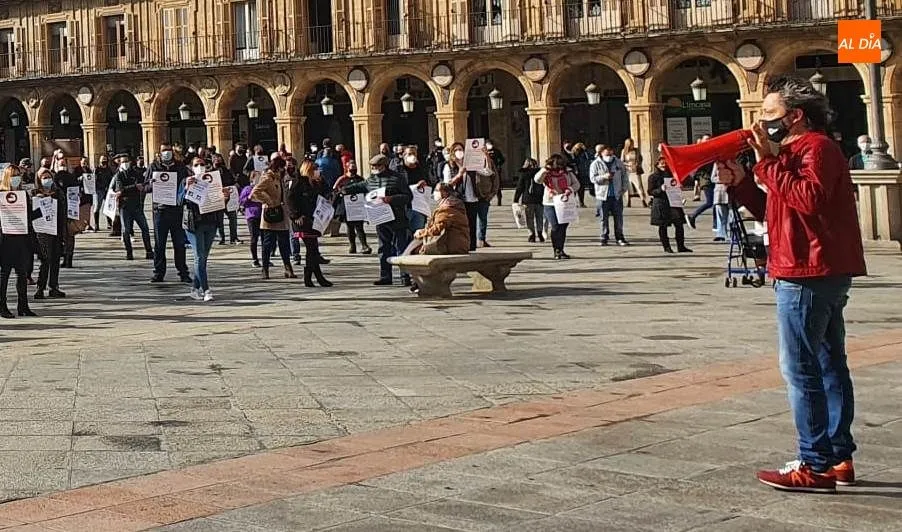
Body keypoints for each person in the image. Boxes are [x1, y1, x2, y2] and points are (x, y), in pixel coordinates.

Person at [718, 75, 867, 493]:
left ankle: (815, 463)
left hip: (807, 272)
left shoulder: (815, 148)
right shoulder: (797, 151)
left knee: (802, 370)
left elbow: (810, 200)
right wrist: (743, 183)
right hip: (813, 268)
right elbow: (778, 210)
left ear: (795, 116)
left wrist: (765, 163)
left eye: (769, 114)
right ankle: (838, 457)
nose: (761, 123)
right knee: (828, 364)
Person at [343, 154, 412, 286]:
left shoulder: (397, 178)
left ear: (384, 165)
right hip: (380, 218)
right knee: (383, 248)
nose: (374, 168)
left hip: (397, 219)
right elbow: (360, 186)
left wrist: (391, 199)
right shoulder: (371, 180)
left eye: (377, 166)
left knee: (401, 248)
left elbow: (408, 196)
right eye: (372, 166)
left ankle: (405, 276)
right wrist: (345, 189)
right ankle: (385, 276)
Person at [184, 157, 231, 302]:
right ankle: (206, 290)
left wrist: (225, 198)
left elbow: (219, 203)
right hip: (194, 224)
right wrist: (186, 188)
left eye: (202, 164)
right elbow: (179, 200)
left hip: (210, 222)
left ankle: (194, 289)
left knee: (203, 258)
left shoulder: (213, 181)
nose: (200, 167)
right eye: (197, 164)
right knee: (199, 256)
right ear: (191, 167)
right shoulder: (186, 181)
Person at [145, 143, 192, 283]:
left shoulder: (180, 166)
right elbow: (145, 186)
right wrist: (152, 184)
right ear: (159, 152)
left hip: (176, 210)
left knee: (179, 243)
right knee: (160, 244)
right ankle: (159, 272)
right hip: (160, 210)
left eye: (168, 150)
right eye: (164, 150)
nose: (166, 153)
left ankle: (183, 272)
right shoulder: (153, 166)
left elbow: (186, 182)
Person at [0, 165, 38, 318]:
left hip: (22, 239)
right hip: (6, 239)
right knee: (5, 274)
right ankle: (2, 306)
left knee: (22, 273)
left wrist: (40, 208)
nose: (17, 178)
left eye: (19, 175)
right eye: (14, 175)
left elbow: (29, 217)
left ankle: (23, 306)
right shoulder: (1, 194)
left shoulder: (23, 195)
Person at [287, 160, 333, 287]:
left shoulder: (317, 183)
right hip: (303, 220)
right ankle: (314, 277)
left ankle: (313, 277)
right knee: (311, 248)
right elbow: (290, 199)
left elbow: (325, 194)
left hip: (315, 219)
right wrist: (295, 215)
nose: (318, 172)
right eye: (315, 169)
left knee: (313, 249)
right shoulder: (299, 182)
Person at [251, 156, 295, 280]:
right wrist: (268, 201)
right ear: (278, 167)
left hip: (282, 214)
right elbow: (255, 192)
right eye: (284, 167)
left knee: (284, 243)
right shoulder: (267, 177)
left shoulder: (282, 178)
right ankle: (265, 269)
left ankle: (288, 268)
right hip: (270, 214)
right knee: (267, 244)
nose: (286, 169)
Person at [534, 154, 580, 259]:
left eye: (560, 164)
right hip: (550, 202)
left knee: (563, 227)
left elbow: (577, 184)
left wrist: (570, 189)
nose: (558, 167)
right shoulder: (546, 172)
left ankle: (561, 249)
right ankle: (556, 250)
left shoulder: (567, 172)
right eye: (556, 164)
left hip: (565, 202)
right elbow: (537, 180)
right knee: (555, 226)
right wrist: (544, 170)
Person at [32, 163, 67, 299]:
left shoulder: (58, 192)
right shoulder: (34, 194)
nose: (47, 180)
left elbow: (63, 211)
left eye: (48, 177)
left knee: (56, 259)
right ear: (39, 180)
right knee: (45, 260)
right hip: (42, 232)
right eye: (43, 177)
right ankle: (40, 287)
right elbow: (33, 215)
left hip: (56, 230)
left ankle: (54, 286)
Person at [112, 153, 153, 261]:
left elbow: (142, 184)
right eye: (123, 162)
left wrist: (145, 184)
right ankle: (129, 252)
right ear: (120, 163)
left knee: (145, 228)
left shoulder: (136, 173)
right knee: (126, 230)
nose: (125, 163)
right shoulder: (119, 175)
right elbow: (119, 190)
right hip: (125, 206)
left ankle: (149, 251)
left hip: (136, 205)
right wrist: (134, 187)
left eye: (127, 161)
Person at [647, 157, 692, 254]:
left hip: (674, 202)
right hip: (661, 203)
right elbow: (650, 191)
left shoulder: (673, 174)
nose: (663, 165)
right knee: (663, 226)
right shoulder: (653, 177)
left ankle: (681, 246)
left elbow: (687, 180)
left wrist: (681, 183)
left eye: (665, 163)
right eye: (661, 163)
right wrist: (660, 189)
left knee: (679, 224)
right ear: (657, 164)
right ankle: (666, 247)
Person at [590, 144, 630, 246]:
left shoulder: (618, 162)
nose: (608, 153)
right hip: (602, 195)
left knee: (618, 217)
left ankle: (620, 237)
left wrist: (624, 189)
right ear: (601, 153)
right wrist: (604, 177)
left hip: (616, 195)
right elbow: (593, 178)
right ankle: (604, 237)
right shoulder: (595, 164)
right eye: (606, 151)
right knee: (603, 218)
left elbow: (624, 176)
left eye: (610, 151)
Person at [332, 160, 372, 255]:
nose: (353, 170)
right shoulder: (342, 179)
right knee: (350, 227)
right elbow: (335, 190)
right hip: (347, 206)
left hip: (358, 206)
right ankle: (352, 246)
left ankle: (364, 245)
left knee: (359, 227)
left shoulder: (360, 179)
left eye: (355, 168)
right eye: (351, 168)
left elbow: (366, 189)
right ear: (347, 168)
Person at [514, 158, 544, 243]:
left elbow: (520, 187)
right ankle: (540, 232)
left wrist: (515, 199)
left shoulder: (524, 174)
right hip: (539, 199)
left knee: (529, 218)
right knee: (539, 217)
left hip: (528, 199)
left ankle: (531, 234)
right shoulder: (540, 173)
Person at [213, 153, 241, 246]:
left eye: (219, 158)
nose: (218, 160)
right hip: (218, 197)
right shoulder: (211, 172)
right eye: (216, 159)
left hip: (229, 196)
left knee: (233, 218)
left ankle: (234, 237)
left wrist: (235, 184)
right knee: (219, 219)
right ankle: (222, 238)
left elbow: (233, 180)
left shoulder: (227, 171)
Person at [687, 135, 715, 229]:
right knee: (710, 202)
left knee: (715, 203)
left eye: (710, 139)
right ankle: (692, 216)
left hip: (713, 179)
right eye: (706, 139)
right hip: (706, 180)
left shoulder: (711, 151)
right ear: (702, 141)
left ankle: (716, 225)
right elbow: (696, 167)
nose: (708, 141)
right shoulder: (700, 152)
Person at [239, 171, 263, 267]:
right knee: (254, 238)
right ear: (252, 178)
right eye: (257, 177)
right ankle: (255, 259)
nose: (259, 179)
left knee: (265, 238)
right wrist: (249, 198)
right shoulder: (247, 189)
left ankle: (265, 258)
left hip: (262, 215)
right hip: (252, 215)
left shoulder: (262, 188)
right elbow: (241, 202)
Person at [621, 138, 647, 208]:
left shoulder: (636, 150)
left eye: (632, 143)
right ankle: (628, 201)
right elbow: (622, 161)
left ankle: (643, 200)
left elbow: (640, 158)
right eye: (630, 144)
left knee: (639, 186)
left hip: (635, 171)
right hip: (627, 171)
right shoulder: (624, 151)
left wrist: (638, 164)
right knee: (627, 186)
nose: (632, 145)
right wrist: (627, 165)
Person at [94, 155, 114, 232]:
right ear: (100, 161)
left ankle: (109, 223)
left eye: (105, 160)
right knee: (97, 207)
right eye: (102, 160)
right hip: (99, 190)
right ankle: (96, 224)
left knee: (107, 207)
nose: (104, 161)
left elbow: (111, 178)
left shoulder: (109, 169)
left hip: (107, 190)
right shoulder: (97, 169)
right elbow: (94, 180)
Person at [571, 143, 592, 208]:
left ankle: (581, 202)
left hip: (582, 173)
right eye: (578, 148)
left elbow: (589, 157)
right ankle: (572, 203)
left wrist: (585, 150)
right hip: (575, 173)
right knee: (573, 189)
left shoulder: (584, 153)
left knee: (581, 189)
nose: (579, 150)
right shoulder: (573, 154)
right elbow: (573, 162)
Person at [485, 140, 506, 206]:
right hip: (487, 170)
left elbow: (502, 159)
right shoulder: (484, 151)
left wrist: (498, 165)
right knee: (487, 185)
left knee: (497, 185)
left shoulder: (496, 151)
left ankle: (499, 200)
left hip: (495, 170)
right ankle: (487, 200)